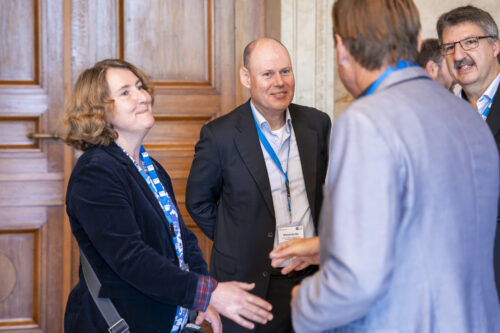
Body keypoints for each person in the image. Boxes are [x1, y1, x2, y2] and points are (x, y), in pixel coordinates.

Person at [272, 0, 500, 331]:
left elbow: (358, 279)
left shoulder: (367, 121)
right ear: (418, 40)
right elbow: (423, 230)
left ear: (342, 49)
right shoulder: (465, 113)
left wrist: (304, 302)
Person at [61, 59, 273, 333]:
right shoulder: (96, 172)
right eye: (125, 92)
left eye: (139, 87)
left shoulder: (151, 168)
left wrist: (200, 297)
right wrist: (208, 292)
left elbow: (182, 240)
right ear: (97, 111)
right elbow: (132, 259)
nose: (142, 97)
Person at [185, 38, 331, 332]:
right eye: (268, 74)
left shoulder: (317, 124)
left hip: (312, 275)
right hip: (249, 280)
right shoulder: (220, 135)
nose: (279, 82)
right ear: (246, 77)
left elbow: (326, 191)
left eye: (285, 71)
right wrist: (238, 241)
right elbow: (197, 201)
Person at [437, 5, 500, 302]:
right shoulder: (440, 117)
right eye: (449, 47)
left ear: (495, 45)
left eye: (470, 42)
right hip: (457, 285)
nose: (459, 55)